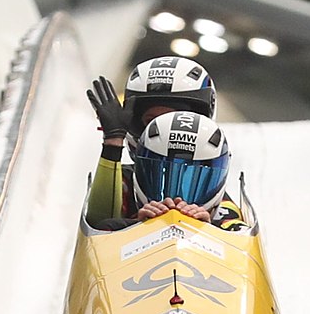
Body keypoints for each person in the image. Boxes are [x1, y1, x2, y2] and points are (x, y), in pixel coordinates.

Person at [85, 56, 217, 227]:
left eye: (172, 118)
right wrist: (113, 141)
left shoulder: (214, 186)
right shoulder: (124, 181)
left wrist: (208, 227)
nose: (164, 129)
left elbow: (237, 231)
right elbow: (97, 228)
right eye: (152, 120)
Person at [111, 110, 247, 231]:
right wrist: (135, 226)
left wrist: (209, 230)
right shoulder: (123, 183)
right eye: (162, 175)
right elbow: (99, 227)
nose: (176, 202)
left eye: (193, 180)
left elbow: (240, 236)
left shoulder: (228, 213)